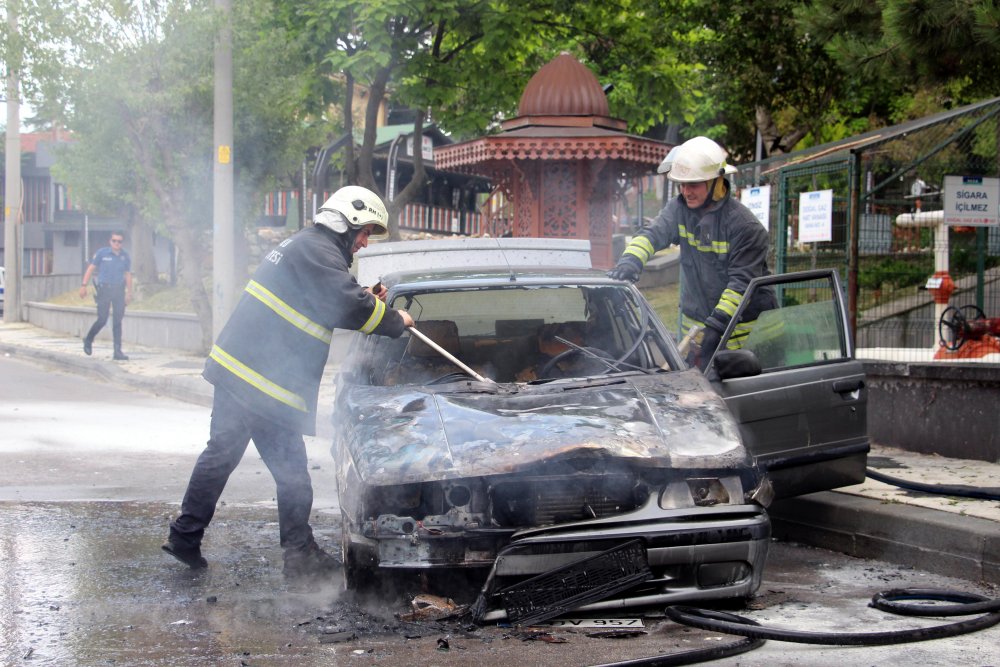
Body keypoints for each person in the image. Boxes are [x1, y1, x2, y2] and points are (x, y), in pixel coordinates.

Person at [162, 186, 415, 580]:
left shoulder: (308, 248)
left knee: (231, 458)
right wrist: (396, 321)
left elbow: (331, 299)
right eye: (364, 231)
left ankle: (188, 538)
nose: (365, 242)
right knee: (285, 471)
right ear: (345, 222)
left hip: (246, 375)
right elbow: (345, 302)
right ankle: (298, 556)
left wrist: (364, 297)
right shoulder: (317, 252)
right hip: (261, 382)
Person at [608, 136, 776, 369]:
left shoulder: (745, 227)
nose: (686, 191)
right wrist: (630, 260)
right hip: (701, 334)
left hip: (751, 337)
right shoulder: (679, 210)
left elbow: (741, 285)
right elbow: (653, 233)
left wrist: (715, 329)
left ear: (717, 183)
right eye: (682, 185)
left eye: (693, 184)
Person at [80, 231, 133, 361]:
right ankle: (88, 339)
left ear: (122, 243)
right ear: (110, 242)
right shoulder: (102, 253)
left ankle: (117, 351)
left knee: (117, 321)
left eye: (119, 241)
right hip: (104, 289)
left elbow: (127, 275)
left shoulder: (125, 256)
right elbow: (91, 268)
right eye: (114, 241)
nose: (117, 244)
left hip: (119, 290)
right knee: (102, 319)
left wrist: (129, 292)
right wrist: (83, 285)